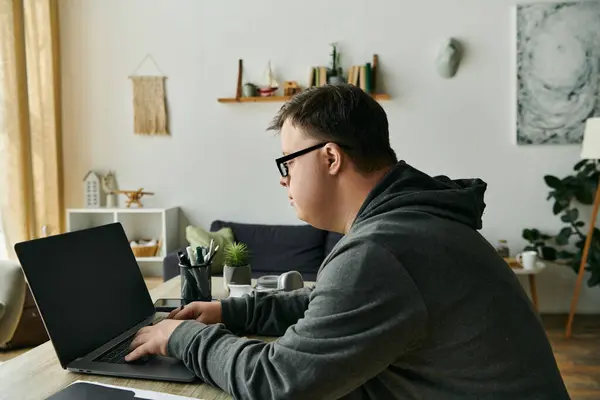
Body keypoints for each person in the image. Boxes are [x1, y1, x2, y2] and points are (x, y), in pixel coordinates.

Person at [125, 84, 569, 399]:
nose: (284, 181)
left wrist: (181, 336)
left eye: (287, 164)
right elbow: (333, 308)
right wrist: (231, 310)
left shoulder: (383, 248)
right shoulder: (410, 223)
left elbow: (279, 384)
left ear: (331, 157)